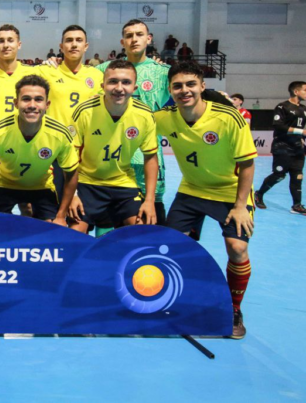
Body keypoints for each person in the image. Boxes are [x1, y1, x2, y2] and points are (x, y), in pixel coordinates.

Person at [156, 61, 257, 339]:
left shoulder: (227, 117)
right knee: (169, 246)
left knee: (236, 247)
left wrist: (240, 206)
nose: (184, 90)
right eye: (177, 86)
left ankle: (234, 310)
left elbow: (247, 164)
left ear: (202, 86)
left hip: (230, 192)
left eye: (190, 84)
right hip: (191, 190)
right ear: (170, 89)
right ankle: (179, 300)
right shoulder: (164, 118)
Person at [68, 60, 159, 233]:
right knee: (73, 238)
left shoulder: (144, 115)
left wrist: (149, 200)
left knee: (144, 235)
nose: (119, 88)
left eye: (126, 82)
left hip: (124, 184)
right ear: (103, 85)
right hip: (87, 184)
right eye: (113, 81)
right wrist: (72, 196)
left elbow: (150, 157)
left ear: (135, 87)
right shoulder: (85, 111)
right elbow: (68, 156)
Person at [96, 19, 171, 225]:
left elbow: (192, 90)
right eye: (129, 36)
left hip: (149, 156)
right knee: (110, 220)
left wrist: (218, 97)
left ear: (149, 39)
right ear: (122, 41)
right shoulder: (102, 70)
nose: (134, 39)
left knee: (151, 214)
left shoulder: (163, 72)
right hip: (112, 157)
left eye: (139, 34)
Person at [0, 75, 79, 224]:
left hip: (41, 186)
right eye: (26, 99)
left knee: (53, 229)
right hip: (4, 184)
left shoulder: (59, 133)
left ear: (47, 104)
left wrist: (60, 216)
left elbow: (71, 173)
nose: (32, 105)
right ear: (15, 103)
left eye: (38, 99)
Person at [255, 81, 306, 215]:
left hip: (298, 148)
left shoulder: (304, 109)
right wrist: (301, 132)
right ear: (296, 92)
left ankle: (296, 205)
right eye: (305, 90)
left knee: (297, 177)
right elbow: (279, 126)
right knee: (279, 175)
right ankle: (259, 194)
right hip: (282, 147)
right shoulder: (282, 107)